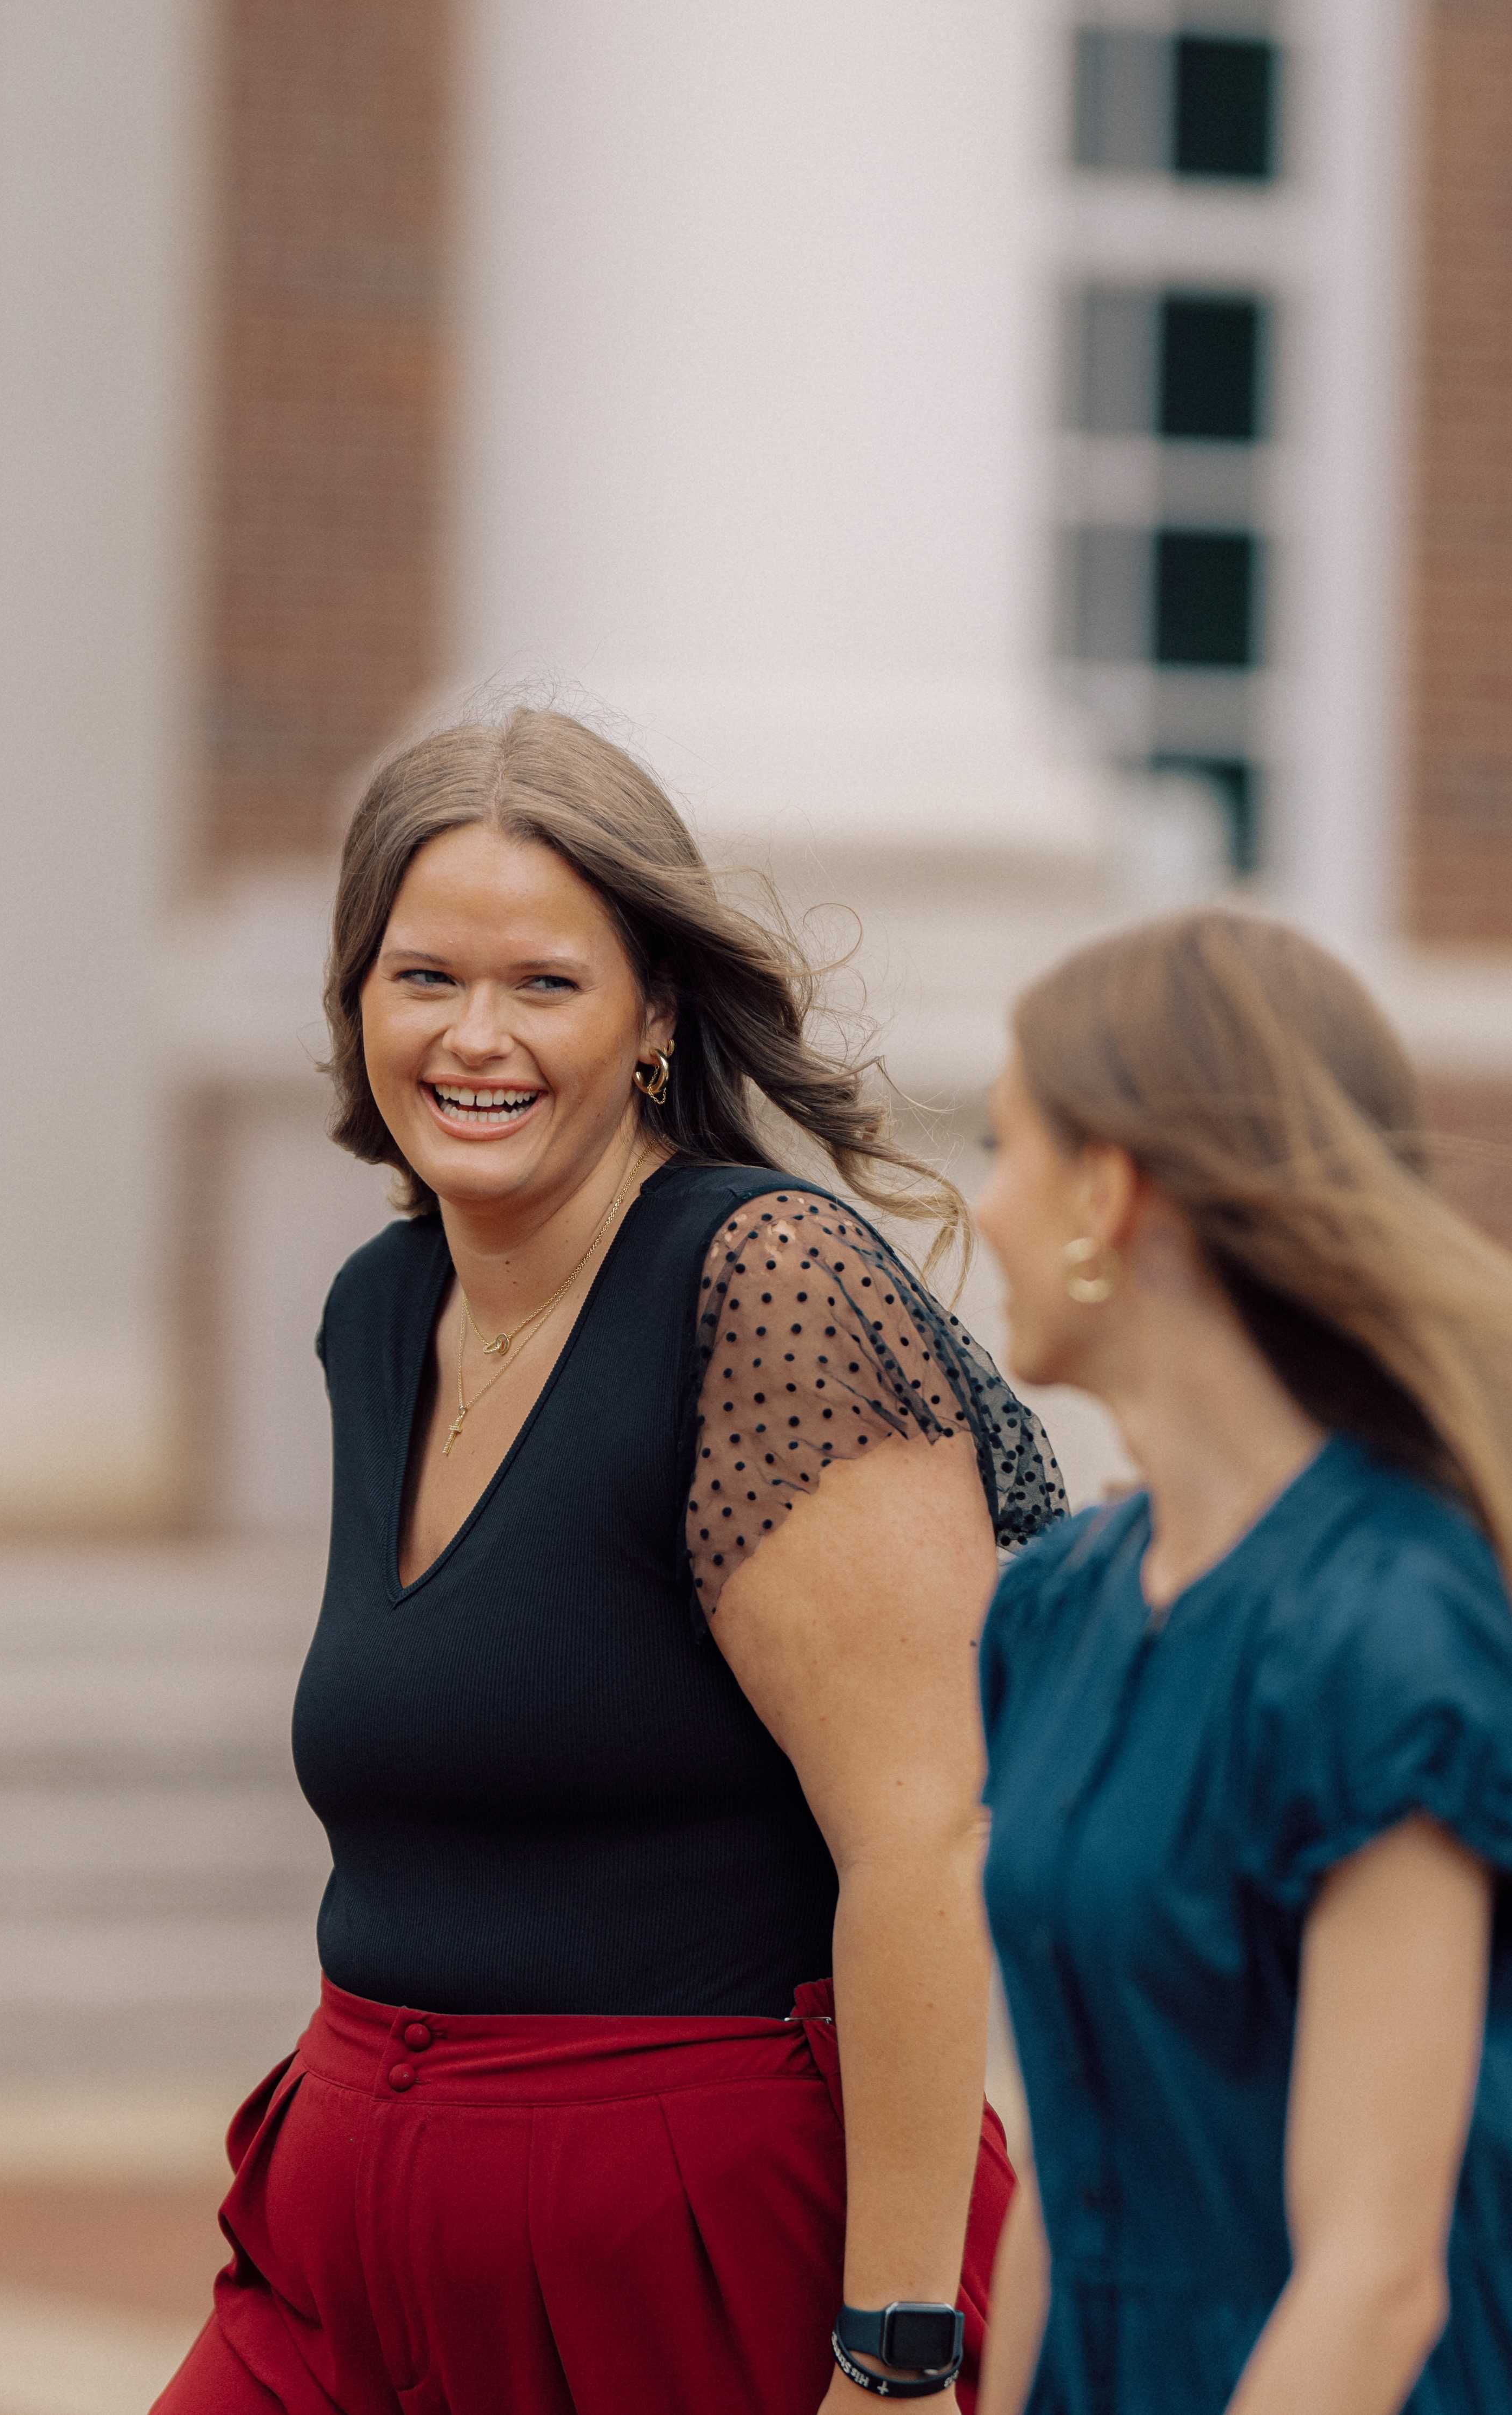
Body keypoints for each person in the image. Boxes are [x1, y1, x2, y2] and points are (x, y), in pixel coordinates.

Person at [155, 709, 1066, 2415]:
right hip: (347, 2242)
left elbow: (927, 1837)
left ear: (653, 1013)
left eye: (544, 985)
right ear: (358, 1004)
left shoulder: (765, 1287)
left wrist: (894, 2353)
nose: (474, 1037)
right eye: (423, 976)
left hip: (697, 2255)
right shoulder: (383, 1308)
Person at [970, 909, 1512, 2415]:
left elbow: (1375, 2275)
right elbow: (1065, 2160)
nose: (986, 1210)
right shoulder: (1053, 1609)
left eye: (1006, 1148)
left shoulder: (1390, 1637)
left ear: (1109, 1190)